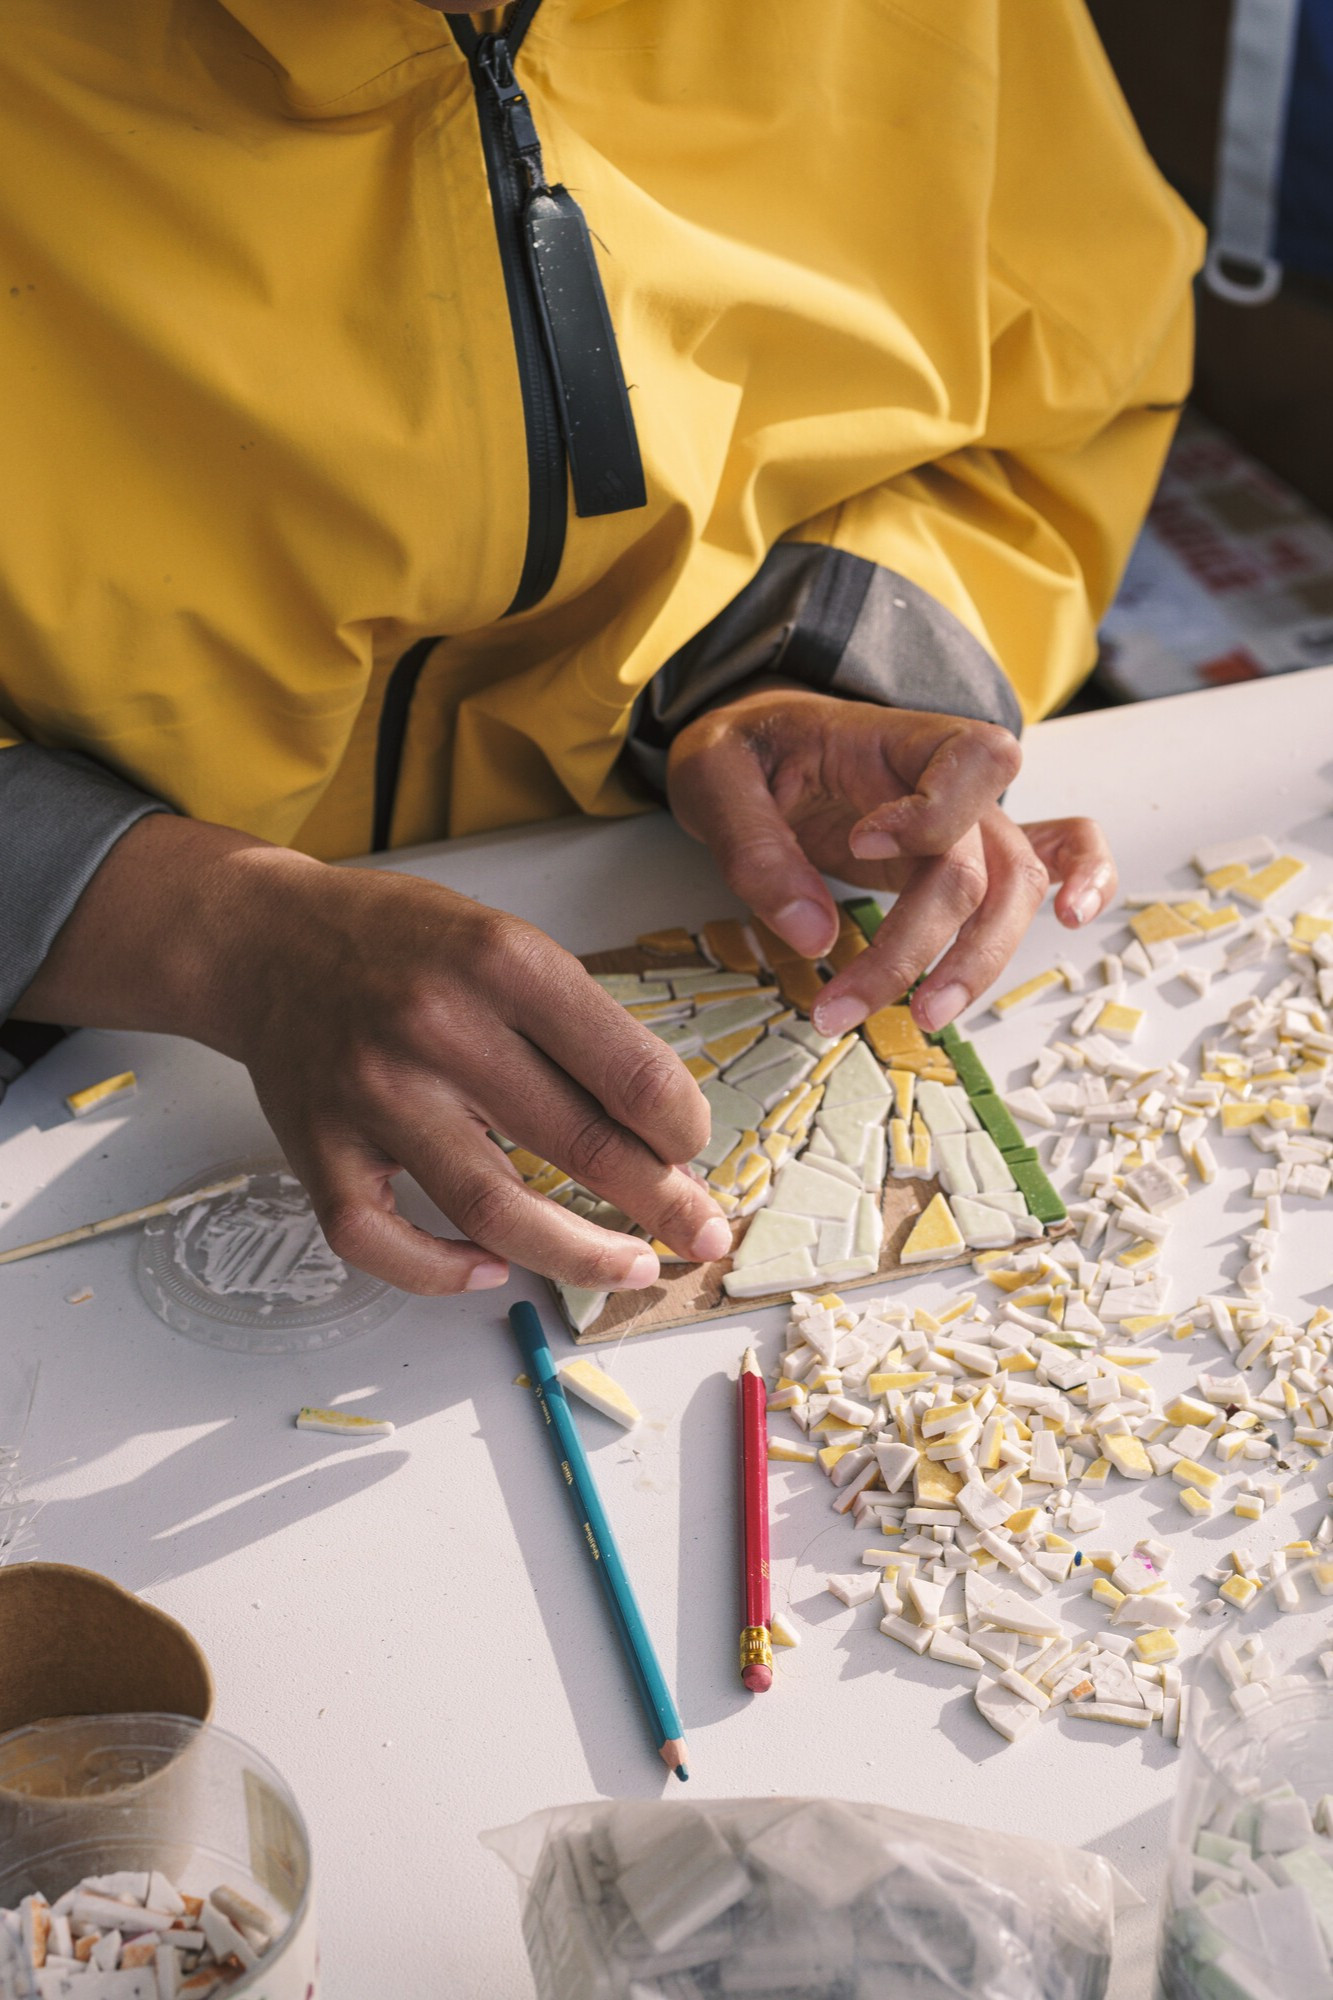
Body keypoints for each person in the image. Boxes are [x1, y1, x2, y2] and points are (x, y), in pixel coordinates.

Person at [0, 0, 1203, 1299]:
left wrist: (817, 668)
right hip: (80, 1073)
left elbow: (1062, 396)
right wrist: (207, 930)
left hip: (671, 897)